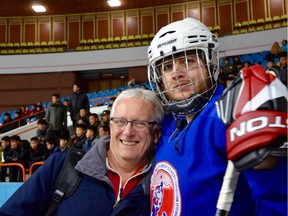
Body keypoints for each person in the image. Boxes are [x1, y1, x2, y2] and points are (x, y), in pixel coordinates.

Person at [147, 18, 287, 215]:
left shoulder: (228, 118)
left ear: (210, 64)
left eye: (187, 61)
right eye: (167, 67)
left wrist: (269, 170)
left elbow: (278, 204)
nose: (176, 74)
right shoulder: (168, 128)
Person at [0, 88, 164, 216]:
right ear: (110, 126)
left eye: (140, 123)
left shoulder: (167, 185)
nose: (128, 132)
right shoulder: (61, 166)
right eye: (120, 121)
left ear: (156, 133)